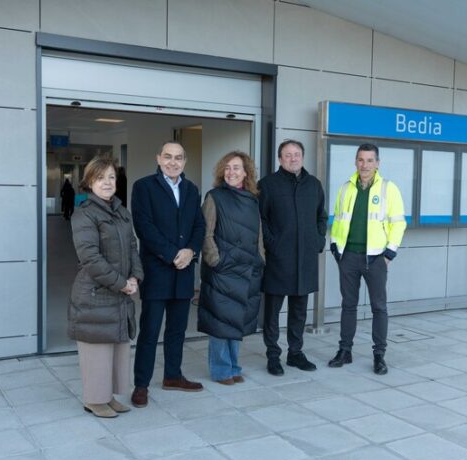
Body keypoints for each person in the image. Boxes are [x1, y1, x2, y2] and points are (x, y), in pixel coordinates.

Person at [130, 141, 205, 407]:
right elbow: (144, 227)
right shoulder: (143, 187)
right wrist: (174, 254)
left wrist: (191, 251)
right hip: (157, 271)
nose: (173, 162)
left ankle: (173, 376)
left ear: (184, 161)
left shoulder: (191, 189)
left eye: (178, 158)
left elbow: (199, 225)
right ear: (159, 159)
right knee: (150, 331)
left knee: (177, 330)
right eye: (168, 157)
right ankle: (141, 384)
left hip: (184, 272)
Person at [68, 156, 143, 418]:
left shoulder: (121, 212)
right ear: (90, 181)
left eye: (111, 177)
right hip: (95, 294)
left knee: (115, 349)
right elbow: (90, 258)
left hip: (119, 292)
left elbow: (132, 247)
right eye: (100, 178)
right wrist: (122, 283)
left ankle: (107, 396)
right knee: (96, 351)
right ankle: (94, 400)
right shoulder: (84, 213)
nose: (107, 182)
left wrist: (135, 277)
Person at [328, 143, 406, 375]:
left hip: (376, 258)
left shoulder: (388, 188)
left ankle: (379, 355)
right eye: (361, 160)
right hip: (348, 256)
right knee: (348, 305)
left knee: (379, 307)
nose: (365, 165)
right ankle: (345, 351)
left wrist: (389, 253)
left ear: (377, 163)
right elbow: (338, 218)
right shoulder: (346, 188)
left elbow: (398, 223)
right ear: (356, 162)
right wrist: (335, 246)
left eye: (370, 160)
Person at [258, 140, 327, 376]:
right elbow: (261, 219)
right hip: (278, 259)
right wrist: (272, 244)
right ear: (280, 159)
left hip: (305, 258)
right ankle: (273, 355)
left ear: (302, 157)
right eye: (287, 155)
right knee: (272, 312)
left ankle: (295, 353)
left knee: (299, 311)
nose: (293, 158)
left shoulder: (314, 184)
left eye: (296, 154)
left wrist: (318, 240)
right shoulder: (267, 184)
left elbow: (321, 216)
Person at [197, 151, 264, 385]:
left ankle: (234, 367)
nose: (231, 172)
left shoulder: (252, 199)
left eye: (236, 168)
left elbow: (258, 234)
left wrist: (260, 259)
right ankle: (221, 370)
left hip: (247, 269)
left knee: (236, 321)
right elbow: (206, 233)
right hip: (222, 271)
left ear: (246, 173)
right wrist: (215, 261)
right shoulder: (214, 197)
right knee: (220, 322)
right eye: (227, 168)